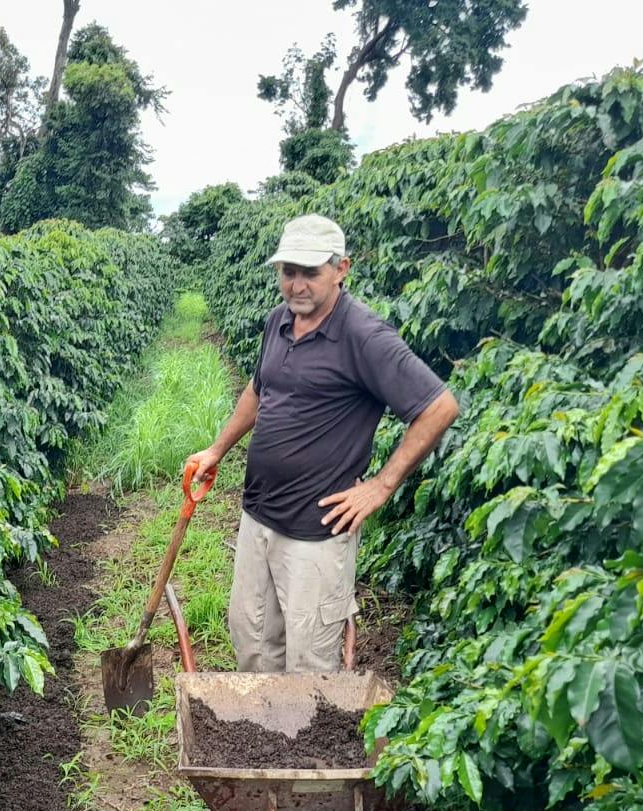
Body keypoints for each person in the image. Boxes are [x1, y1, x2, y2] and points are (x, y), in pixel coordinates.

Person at [185, 213, 459, 673]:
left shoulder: (364, 336)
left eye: (310, 272)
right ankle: (257, 736)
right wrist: (218, 449)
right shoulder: (279, 322)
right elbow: (259, 388)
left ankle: (300, 746)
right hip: (259, 517)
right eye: (288, 272)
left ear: (341, 269)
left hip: (315, 534)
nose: (296, 285)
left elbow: (439, 406)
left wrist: (381, 486)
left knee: (309, 665)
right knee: (251, 642)